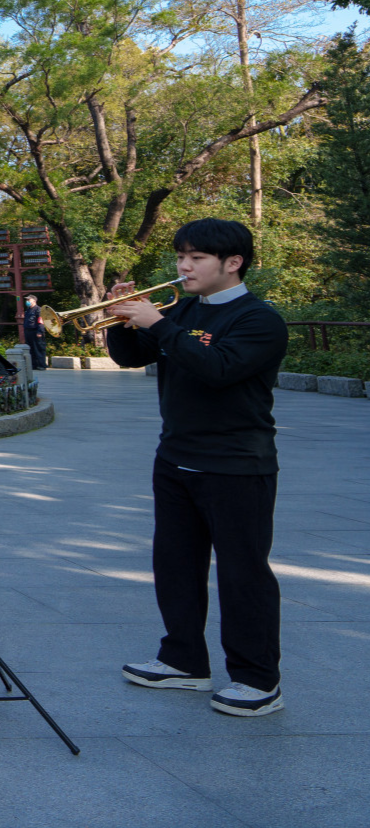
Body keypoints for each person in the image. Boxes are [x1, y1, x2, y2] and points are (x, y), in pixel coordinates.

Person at [104, 218, 289, 717]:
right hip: (175, 458)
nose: (184, 266)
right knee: (175, 565)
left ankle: (257, 680)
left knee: (242, 572)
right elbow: (128, 358)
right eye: (181, 255)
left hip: (237, 465)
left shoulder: (260, 319)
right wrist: (122, 319)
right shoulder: (182, 309)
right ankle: (184, 661)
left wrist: (159, 324)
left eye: (197, 257)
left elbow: (220, 370)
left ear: (233, 263)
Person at [22, 295, 48, 370]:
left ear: (34, 300)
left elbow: (41, 321)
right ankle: (34, 365)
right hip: (28, 332)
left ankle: (41, 365)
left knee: (39, 349)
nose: (27, 302)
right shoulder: (27, 310)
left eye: (28, 300)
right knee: (31, 349)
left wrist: (40, 331)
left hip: (36, 332)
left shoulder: (38, 310)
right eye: (27, 300)